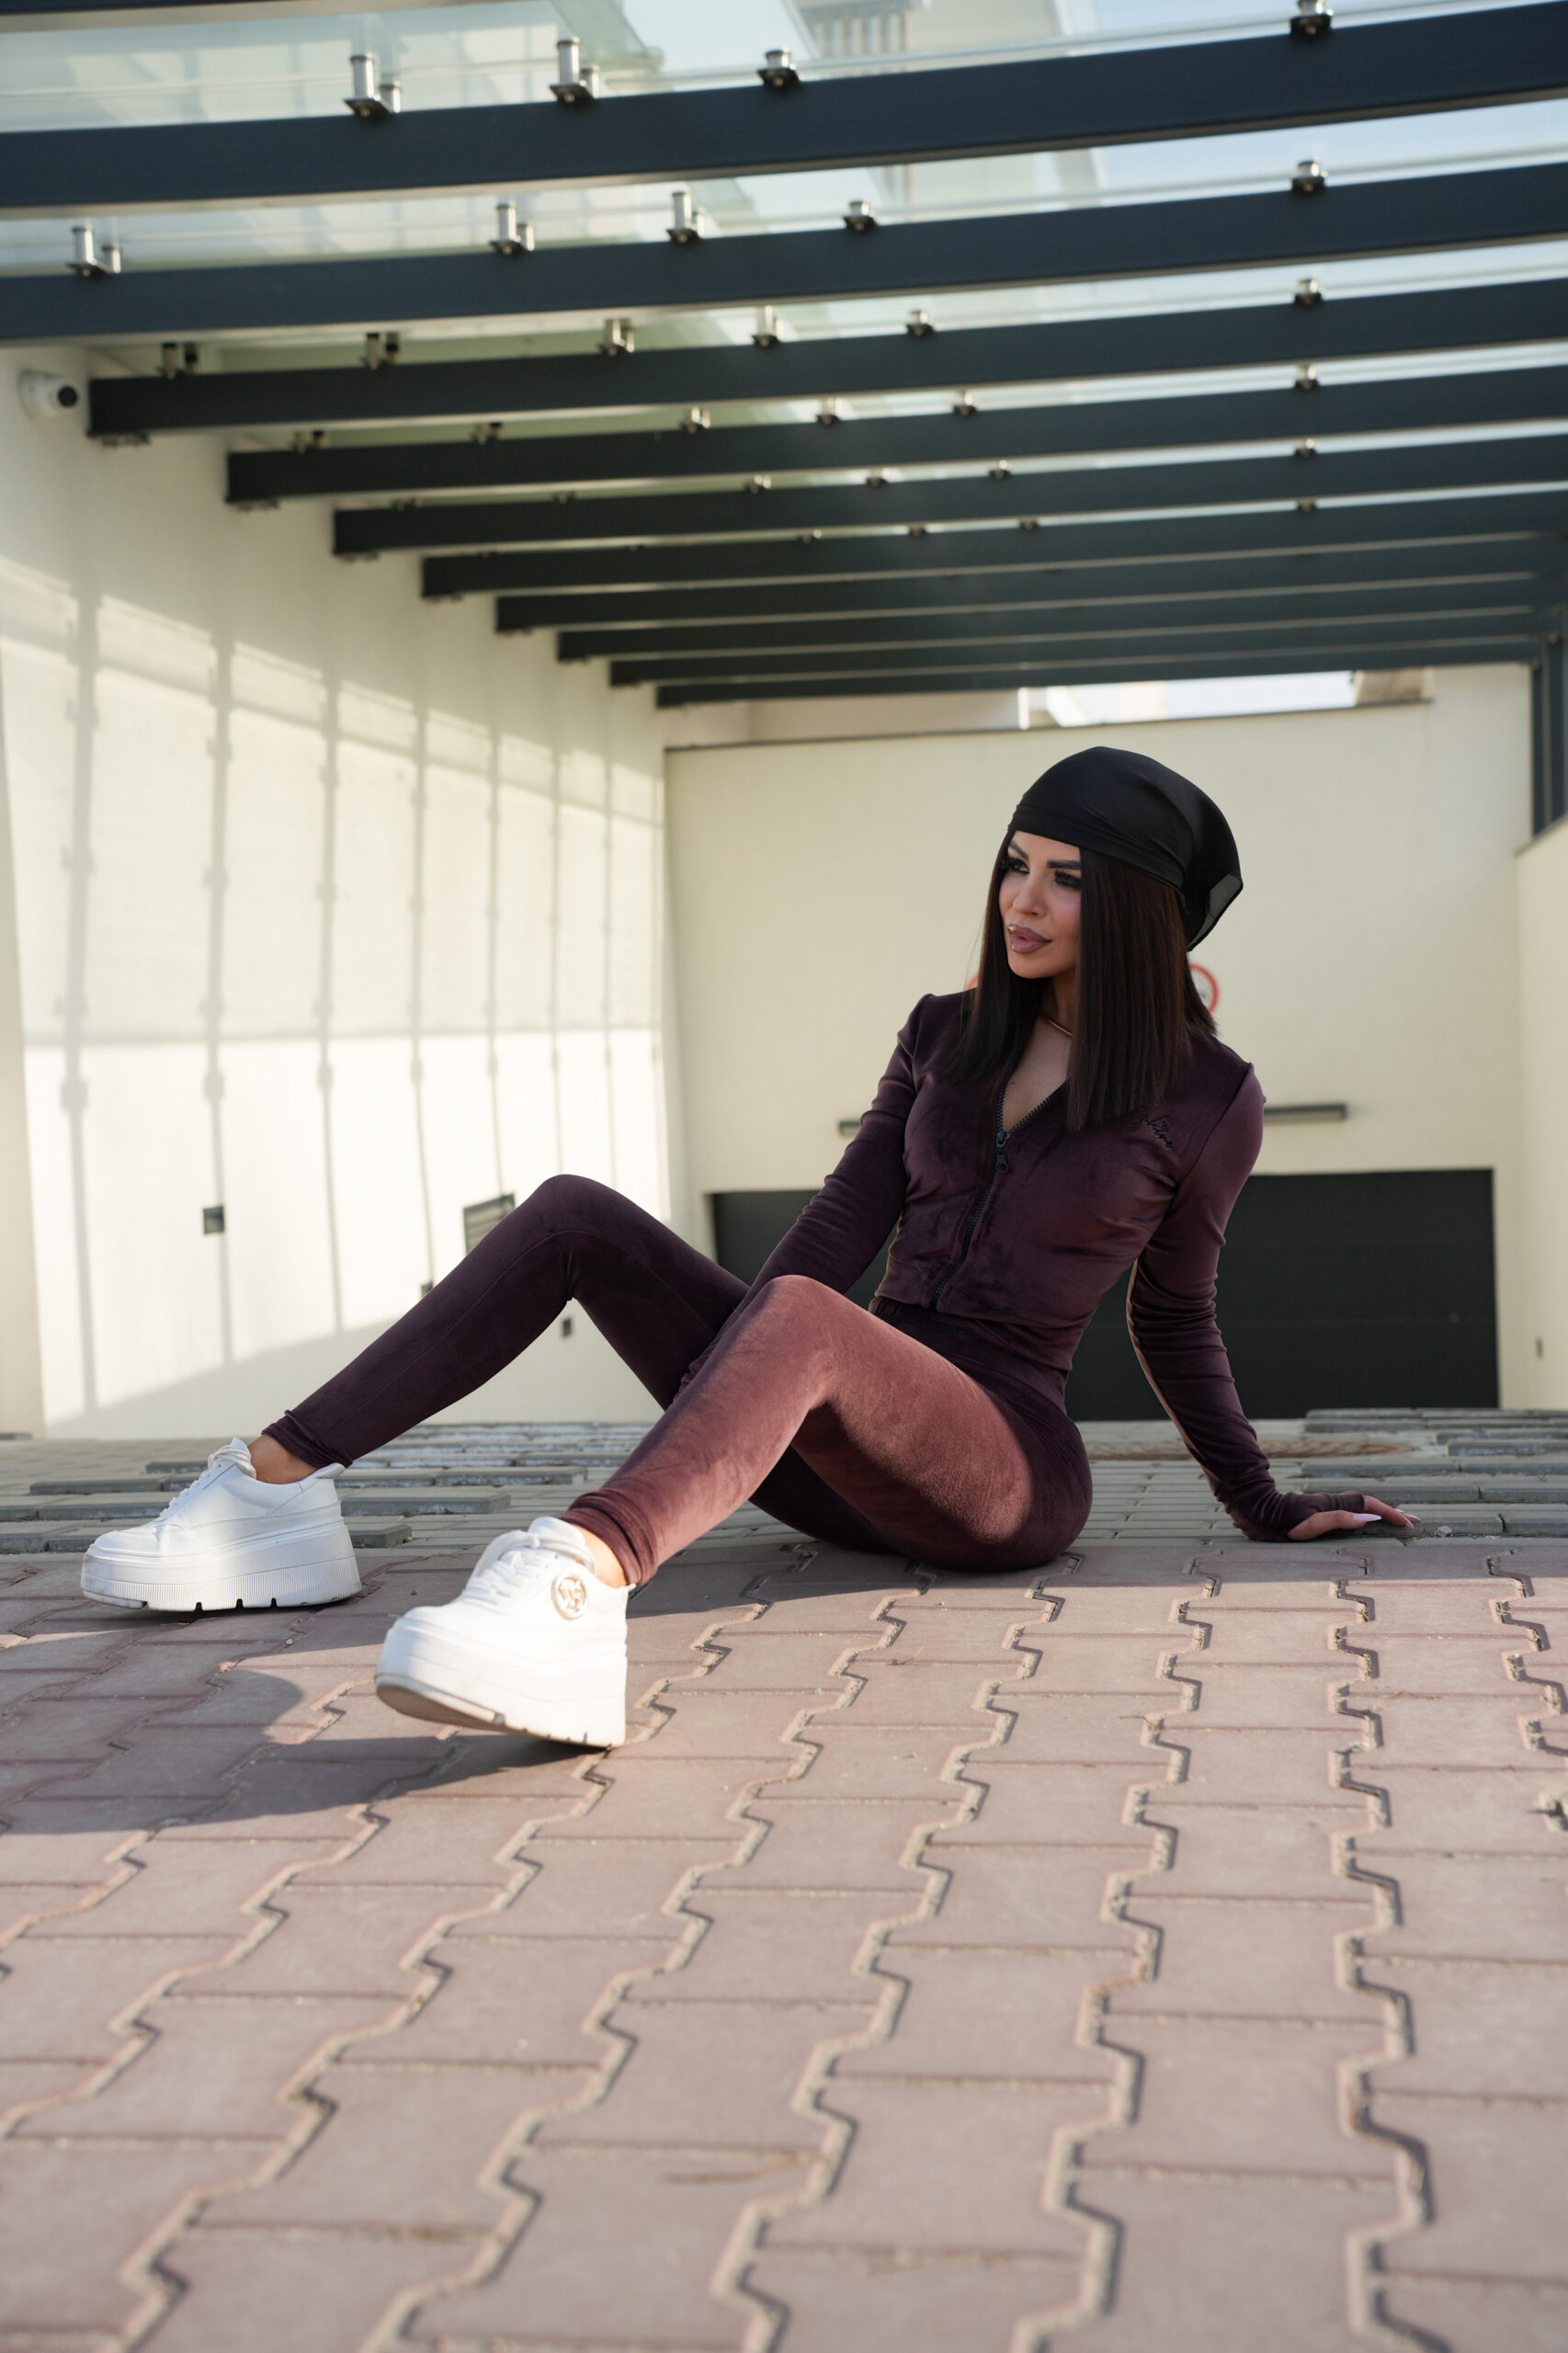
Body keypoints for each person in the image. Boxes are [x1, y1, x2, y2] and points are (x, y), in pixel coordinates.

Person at [81, 746, 1413, 1745]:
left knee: (810, 1317)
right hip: (828, 1453)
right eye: (1015, 863)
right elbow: (840, 1223)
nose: (1023, 899)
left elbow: (1173, 1314)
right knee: (578, 1214)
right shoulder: (946, 1032)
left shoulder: (1206, 1095)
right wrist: (736, 1372)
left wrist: (1260, 1501)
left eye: (1067, 880)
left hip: (1000, 1473)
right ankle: (274, 1491)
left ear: (1133, 909)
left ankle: (574, 1586)